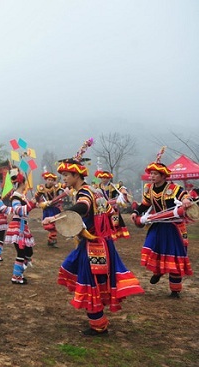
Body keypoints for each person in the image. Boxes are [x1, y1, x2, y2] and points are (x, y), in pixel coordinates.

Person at [45, 141, 144, 336]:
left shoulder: (84, 193)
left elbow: (83, 207)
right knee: (88, 278)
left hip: (93, 245)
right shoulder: (94, 190)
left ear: (76, 175)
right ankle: (98, 323)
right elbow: (108, 213)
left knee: (90, 282)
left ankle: (99, 326)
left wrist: (58, 216)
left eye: (66, 175)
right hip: (99, 243)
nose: (63, 178)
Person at [130, 148, 193, 298]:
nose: (151, 176)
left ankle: (175, 290)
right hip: (158, 225)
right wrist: (136, 212)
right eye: (151, 173)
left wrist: (186, 200)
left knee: (174, 256)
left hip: (173, 227)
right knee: (153, 248)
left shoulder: (174, 188)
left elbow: (186, 197)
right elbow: (145, 204)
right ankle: (158, 271)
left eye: (155, 174)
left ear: (163, 176)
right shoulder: (150, 189)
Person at [4, 169, 36, 284]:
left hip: (22, 226)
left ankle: (20, 272)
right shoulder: (15, 197)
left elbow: (27, 208)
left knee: (29, 252)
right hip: (18, 227)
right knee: (22, 252)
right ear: (22, 183)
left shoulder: (21, 196)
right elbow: (19, 210)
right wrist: (31, 204)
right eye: (25, 183)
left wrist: (34, 202)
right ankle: (16, 277)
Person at [95, 170, 130, 240]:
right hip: (102, 208)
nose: (104, 179)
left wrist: (124, 192)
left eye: (106, 178)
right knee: (103, 223)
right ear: (101, 178)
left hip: (113, 208)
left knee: (114, 223)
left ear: (109, 178)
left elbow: (121, 188)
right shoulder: (97, 187)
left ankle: (114, 234)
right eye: (103, 178)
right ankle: (105, 234)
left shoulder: (114, 186)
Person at [34, 171, 65, 248]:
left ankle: (52, 240)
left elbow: (65, 187)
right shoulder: (41, 188)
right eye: (49, 179)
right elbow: (37, 196)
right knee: (47, 224)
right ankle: (51, 239)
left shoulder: (56, 186)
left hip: (55, 208)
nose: (50, 181)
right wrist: (40, 202)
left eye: (52, 180)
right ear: (46, 180)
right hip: (47, 208)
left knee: (54, 224)